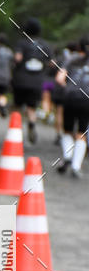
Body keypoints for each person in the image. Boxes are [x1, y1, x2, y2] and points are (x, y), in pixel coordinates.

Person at [11, 17, 51, 144]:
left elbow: (17, 58)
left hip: (21, 80)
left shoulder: (22, 43)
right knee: (31, 107)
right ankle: (32, 123)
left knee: (17, 105)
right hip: (37, 81)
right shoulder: (45, 45)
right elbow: (52, 63)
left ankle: (15, 129)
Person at [55, 38, 89, 178]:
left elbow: (59, 78)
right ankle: (76, 166)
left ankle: (67, 156)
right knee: (81, 133)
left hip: (70, 98)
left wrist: (68, 88)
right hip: (86, 100)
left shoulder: (71, 59)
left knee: (67, 130)